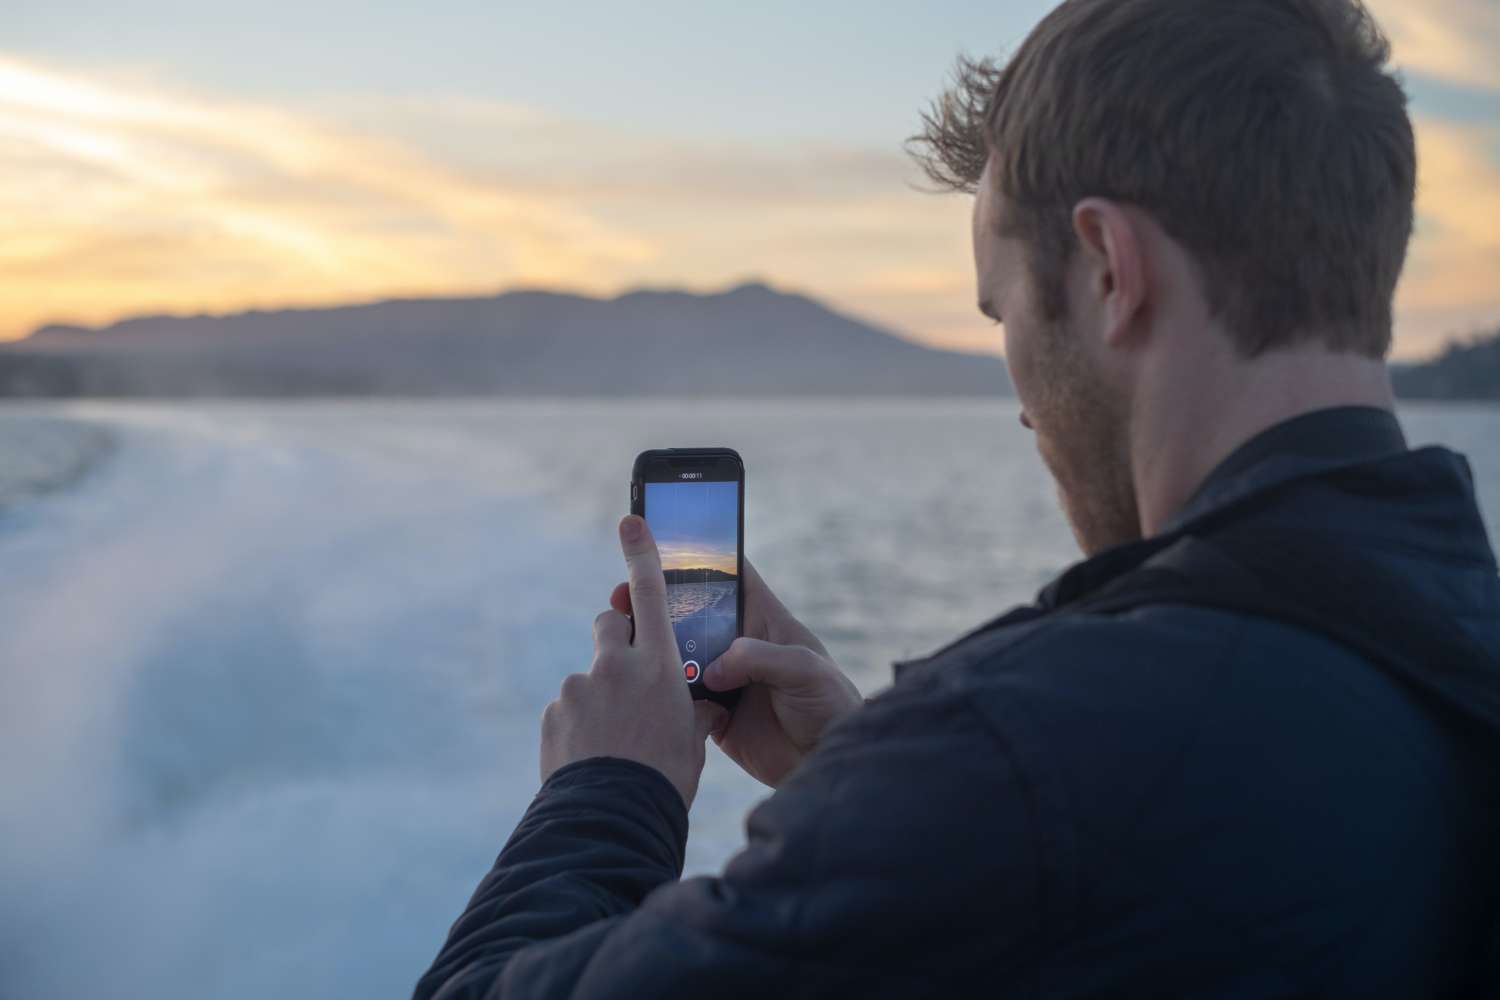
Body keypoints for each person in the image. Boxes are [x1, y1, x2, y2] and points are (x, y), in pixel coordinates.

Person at [414, 0, 1500, 995]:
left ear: (1111, 269)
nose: (1022, 404)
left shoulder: (1028, 755)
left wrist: (607, 793)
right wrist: (863, 783)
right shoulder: (1446, 651)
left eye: (1002, 315)